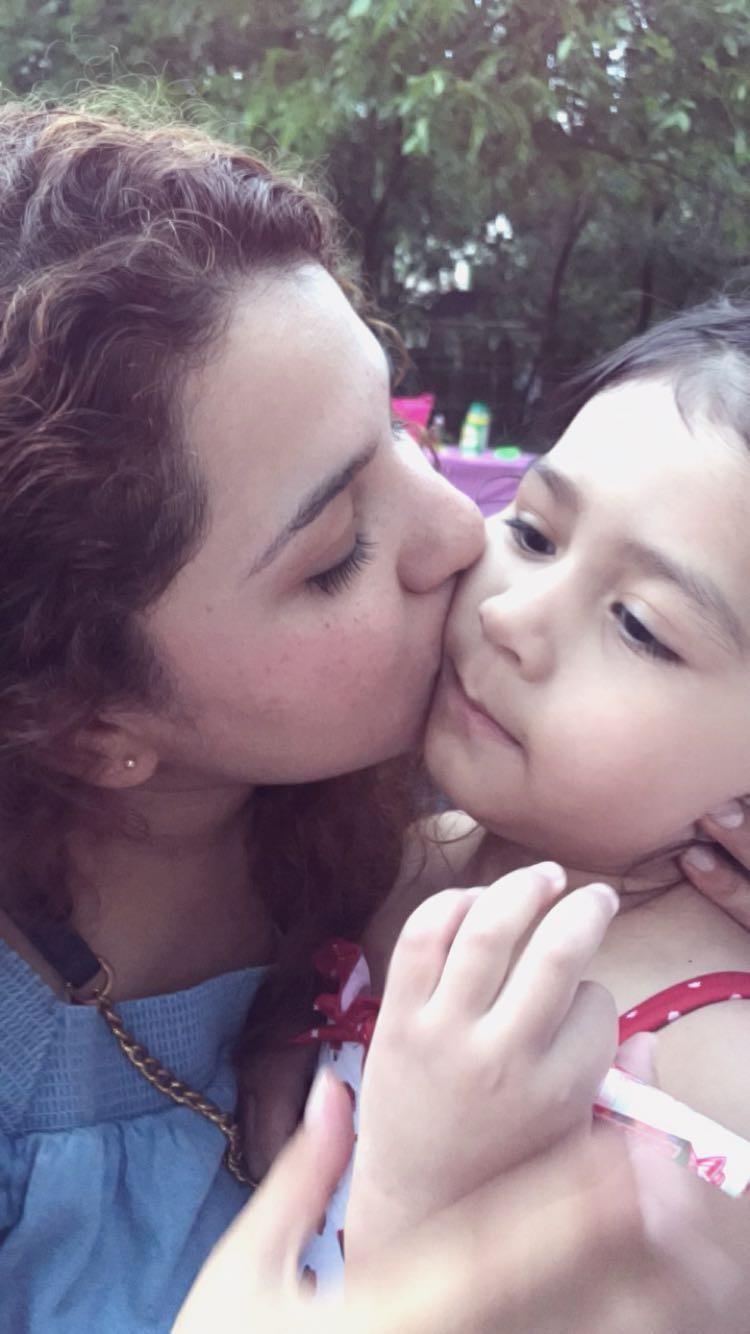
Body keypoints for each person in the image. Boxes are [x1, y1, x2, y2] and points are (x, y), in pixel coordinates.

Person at [0, 91, 747, 1333]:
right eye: (337, 548)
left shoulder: (454, 817)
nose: (464, 540)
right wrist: (414, 1234)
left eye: (403, 430)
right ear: (92, 725)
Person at [341, 300, 750, 1261]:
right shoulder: (392, 855)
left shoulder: (708, 1070)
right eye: (531, 532)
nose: (514, 618)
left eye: (641, 626)